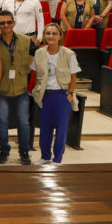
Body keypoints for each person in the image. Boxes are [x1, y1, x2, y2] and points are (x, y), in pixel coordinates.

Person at [32, 23, 80, 165]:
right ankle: (45, 156)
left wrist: (70, 94)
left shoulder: (69, 53)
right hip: (45, 95)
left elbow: (73, 77)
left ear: (60, 36)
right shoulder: (39, 52)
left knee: (61, 129)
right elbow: (35, 75)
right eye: (48, 33)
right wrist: (37, 91)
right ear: (44, 36)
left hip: (62, 96)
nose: (51, 36)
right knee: (45, 128)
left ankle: (57, 159)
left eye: (54, 33)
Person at [0, 9, 34, 165]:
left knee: (23, 122)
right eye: (2, 23)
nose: (6, 25)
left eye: (9, 22)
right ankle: (4, 151)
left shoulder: (26, 40)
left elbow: (35, 61)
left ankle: (24, 152)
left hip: (21, 89)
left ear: (14, 23)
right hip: (1, 90)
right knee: (2, 122)